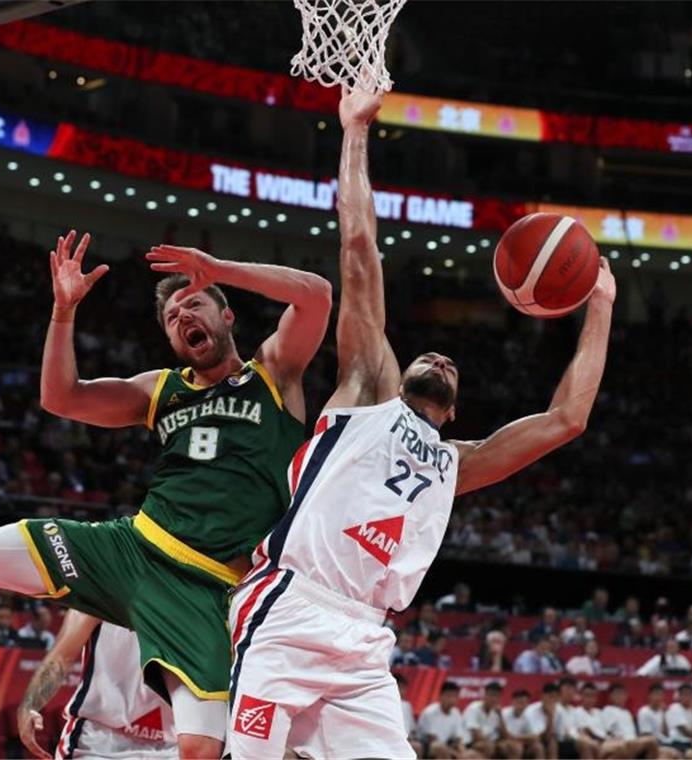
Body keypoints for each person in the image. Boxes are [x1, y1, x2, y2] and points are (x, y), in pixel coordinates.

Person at [0, 221, 332, 760]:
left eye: (194, 306)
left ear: (227, 315)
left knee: (199, 750)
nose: (183, 318)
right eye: (172, 318)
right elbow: (60, 397)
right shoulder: (161, 389)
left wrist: (217, 270)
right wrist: (63, 312)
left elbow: (316, 296)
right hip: (131, 548)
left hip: (207, 584)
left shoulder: (275, 373)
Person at [224, 87, 615, 759]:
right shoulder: (366, 390)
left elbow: (566, 419)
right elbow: (357, 247)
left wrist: (600, 303)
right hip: (289, 606)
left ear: (454, 409)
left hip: (364, 640)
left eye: (451, 365)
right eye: (429, 355)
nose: (438, 357)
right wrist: (354, 132)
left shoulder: (455, 463)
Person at [17, 609, 176, 759]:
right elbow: (60, 659)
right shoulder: (98, 593)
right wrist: (30, 704)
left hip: (175, 745)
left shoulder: (192, 598)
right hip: (98, 741)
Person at [602, 683, 662, 760]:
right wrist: (617, 738)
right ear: (610, 696)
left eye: (622, 694)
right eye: (617, 694)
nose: (620, 697)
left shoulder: (627, 713)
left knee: (671, 752)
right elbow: (607, 731)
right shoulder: (608, 710)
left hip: (633, 742)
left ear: (626, 696)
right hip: (621, 743)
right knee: (650, 740)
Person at [417, 682, 475, 759]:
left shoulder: (456, 712)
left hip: (446, 745)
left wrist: (464, 754)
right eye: (449, 696)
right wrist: (456, 754)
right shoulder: (430, 712)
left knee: (471, 754)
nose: (452, 699)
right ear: (440, 696)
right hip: (427, 746)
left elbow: (458, 739)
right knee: (439, 747)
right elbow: (433, 740)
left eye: (455, 696)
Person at [463, 682, 518, 759]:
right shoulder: (473, 708)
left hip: (490, 742)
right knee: (488, 746)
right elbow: (476, 736)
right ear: (485, 695)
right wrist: (493, 743)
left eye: (497, 696)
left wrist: (500, 716)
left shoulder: (496, 712)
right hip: (471, 743)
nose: (494, 699)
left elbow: (505, 736)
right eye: (491, 695)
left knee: (513, 746)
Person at [576, 682, 623, 760]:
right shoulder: (577, 712)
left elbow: (607, 730)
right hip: (594, 741)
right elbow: (584, 731)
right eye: (587, 695)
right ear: (581, 696)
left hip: (605, 741)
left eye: (592, 696)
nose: (590, 699)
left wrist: (614, 736)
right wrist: (601, 740)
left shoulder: (599, 712)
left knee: (622, 744)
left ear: (596, 698)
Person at [635, 685, 682, 759]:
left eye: (661, 695)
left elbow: (666, 733)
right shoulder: (644, 711)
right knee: (671, 755)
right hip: (652, 746)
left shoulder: (663, 711)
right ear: (649, 696)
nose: (658, 698)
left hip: (667, 743)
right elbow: (646, 735)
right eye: (656, 694)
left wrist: (664, 715)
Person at [523, 683, 564, 760]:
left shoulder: (559, 710)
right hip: (528, 743)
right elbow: (538, 737)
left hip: (548, 741)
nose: (552, 700)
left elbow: (559, 736)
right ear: (542, 696)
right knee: (539, 747)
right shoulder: (530, 711)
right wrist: (550, 717)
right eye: (550, 697)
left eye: (555, 698)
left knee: (553, 744)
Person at [502, 690, 544, 760]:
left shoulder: (529, 715)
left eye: (524, 703)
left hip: (522, 742)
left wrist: (516, 737)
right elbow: (506, 736)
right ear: (512, 702)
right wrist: (521, 738)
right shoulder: (504, 714)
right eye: (519, 702)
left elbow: (535, 737)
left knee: (538, 747)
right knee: (516, 747)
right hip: (504, 742)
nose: (521, 705)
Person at [395, 673, 424, 759]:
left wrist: (413, 737)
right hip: (393, 739)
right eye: (400, 687)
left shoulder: (407, 705)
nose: (402, 691)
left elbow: (412, 728)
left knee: (417, 746)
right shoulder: (386, 703)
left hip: (407, 739)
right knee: (416, 747)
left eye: (404, 688)